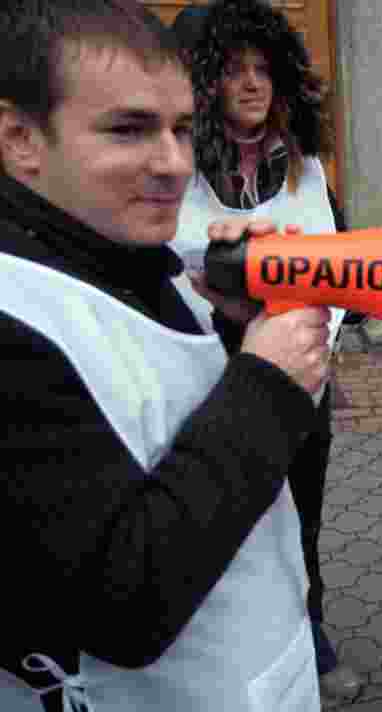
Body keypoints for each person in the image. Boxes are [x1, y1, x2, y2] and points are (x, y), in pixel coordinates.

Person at [0, 1, 331, 710]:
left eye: (182, 128)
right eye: (129, 129)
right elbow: (124, 603)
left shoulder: (128, 253)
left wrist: (240, 334)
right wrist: (267, 385)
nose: (176, 164)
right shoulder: (13, 319)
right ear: (21, 139)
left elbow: (162, 422)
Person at [169, 0, 363, 700]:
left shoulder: (304, 165)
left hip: (302, 379)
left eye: (262, 69)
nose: (252, 84)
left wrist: (316, 331)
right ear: (206, 81)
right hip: (210, 378)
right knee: (222, 519)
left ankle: (311, 636)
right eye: (233, 70)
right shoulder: (176, 165)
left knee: (300, 522)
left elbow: (341, 265)